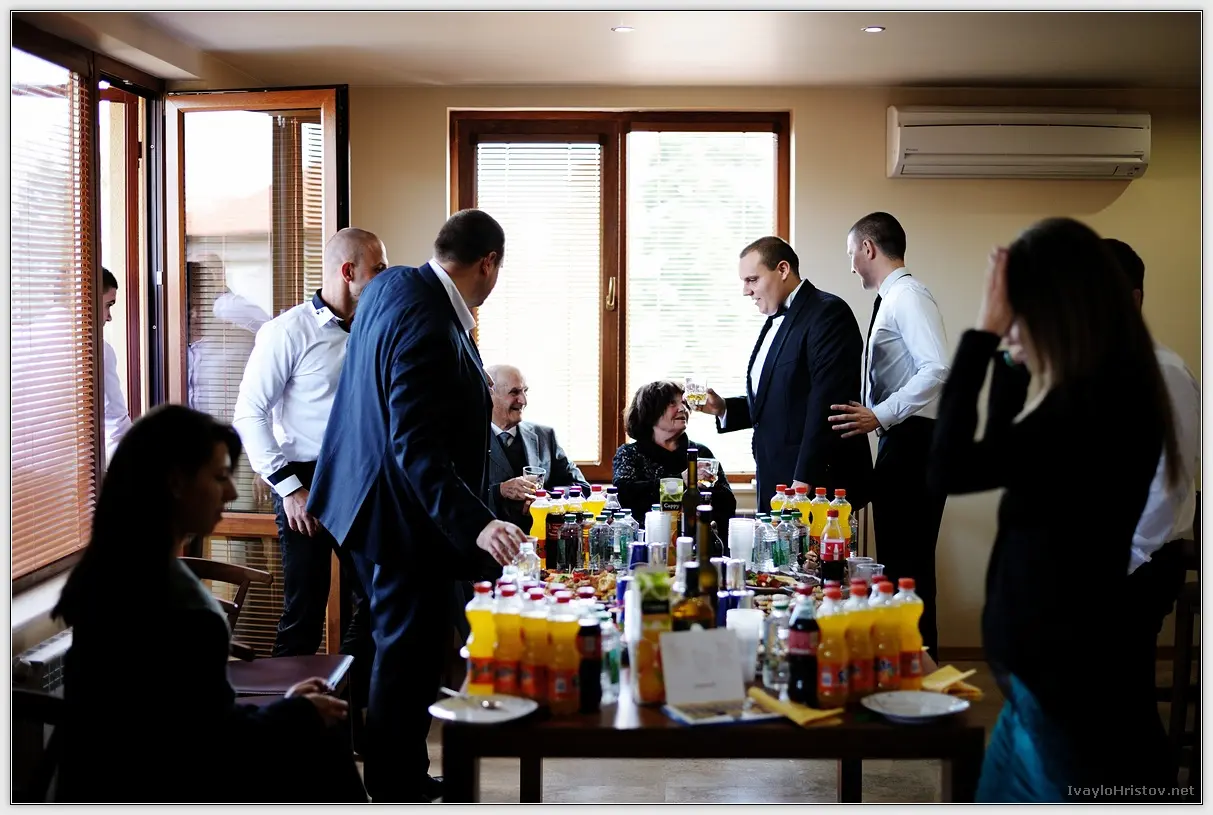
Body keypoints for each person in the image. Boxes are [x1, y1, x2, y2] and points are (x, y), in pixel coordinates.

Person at [928, 218, 1181, 802]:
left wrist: (983, 335)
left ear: (1057, 309)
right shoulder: (1099, 392)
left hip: (1062, 685)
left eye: (1018, 309)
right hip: (1035, 684)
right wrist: (1009, 359)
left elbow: (949, 469)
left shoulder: (1092, 408)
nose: (1010, 322)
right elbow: (998, 450)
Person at [307, 209, 526, 803]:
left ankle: (395, 772)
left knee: (394, 648)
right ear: (488, 264)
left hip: (360, 500)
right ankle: (394, 787)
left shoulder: (394, 284)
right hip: (396, 515)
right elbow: (415, 444)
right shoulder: (429, 321)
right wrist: (478, 523)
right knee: (408, 655)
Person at [53, 405, 365, 803]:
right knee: (323, 737)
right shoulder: (174, 607)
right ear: (176, 483)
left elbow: (187, 721)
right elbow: (205, 746)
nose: (232, 493)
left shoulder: (117, 571)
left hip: (109, 779)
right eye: (219, 477)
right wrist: (297, 715)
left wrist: (289, 707)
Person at [232, 227, 386, 743]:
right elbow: (249, 414)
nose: (384, 276)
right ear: (349, 272)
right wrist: (290, 488)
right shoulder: (286, 331)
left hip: (364, 479)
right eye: (378, 268)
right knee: (304, 612)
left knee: (380, 603)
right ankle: (284, 739)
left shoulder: (377, 326)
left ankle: (350, 720)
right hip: (306, 480)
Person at [829, 213, 950, 657]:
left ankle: (921, 668)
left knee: (909, 567)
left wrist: (879, 415)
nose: (851, 267)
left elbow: (937, 368)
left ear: (868, 248)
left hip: (915, 442)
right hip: (902, 440)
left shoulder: (908, 296)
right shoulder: (891, 299)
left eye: (852, 255)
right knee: (900, 565)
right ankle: (909, 664)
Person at [696, 236, 873, 508]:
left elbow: (827, 403)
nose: (745, 291)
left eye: (752, 280)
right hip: (775, 481)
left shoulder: (828, 313)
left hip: (813, 487)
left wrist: (803, 481)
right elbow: (784, 401)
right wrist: (725, 409)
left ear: (782, 269)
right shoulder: (775, 319)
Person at [1104, 238, 1199, 653]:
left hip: (1141, 560)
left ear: (1133, 299)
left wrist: (1126, 559)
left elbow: (1168, 481)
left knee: (1123, 682)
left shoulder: (1163, 372)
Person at [614, 380, 737, 536]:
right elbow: (623, 496)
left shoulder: (701, 452)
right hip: (647, 541)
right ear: (650, 412)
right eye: (672, 403)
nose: (682, 408)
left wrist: (707, 491)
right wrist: (681, 482)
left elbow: (728, 505)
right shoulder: (629, 453)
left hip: (698, 542)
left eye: (684, 403)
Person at [483, 363, 590, 533]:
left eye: (525, 391)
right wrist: (499, 491)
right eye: (514, 392)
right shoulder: (469, 439)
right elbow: (456, 497)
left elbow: (581, 487)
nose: (523, 401)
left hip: (543, 540)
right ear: (490, 394)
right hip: (489, 541)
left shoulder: (545, 436)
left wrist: (548, 498)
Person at [99, 267, 132, 463]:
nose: (109, 317)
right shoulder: (95, 351)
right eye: (108, 305)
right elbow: (116, 428)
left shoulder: (17, 339)